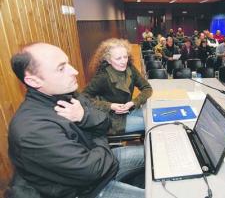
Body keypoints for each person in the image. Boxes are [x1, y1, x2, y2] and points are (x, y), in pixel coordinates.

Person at [7, 42, 145, 198]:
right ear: (34, 81)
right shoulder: (32, 129)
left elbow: (105, 123)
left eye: (68, 63)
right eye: (61, 68)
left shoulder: (68, 94)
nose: (75, 71)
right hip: (88, 190)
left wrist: (84, 118)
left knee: (157, 154)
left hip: (104, 162)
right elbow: (91, 170)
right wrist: (98, 136)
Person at [84, 38, 152, 135]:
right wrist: (110, 106)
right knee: (151, 124)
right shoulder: (102, 76)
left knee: (153, 117)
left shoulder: (131, 69)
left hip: (128, 110)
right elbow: (83, 98)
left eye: (125, 57)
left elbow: (147, 88)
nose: (123, 61)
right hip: (111, 119)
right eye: (118, 58)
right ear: (108, 60)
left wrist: (133, 102)